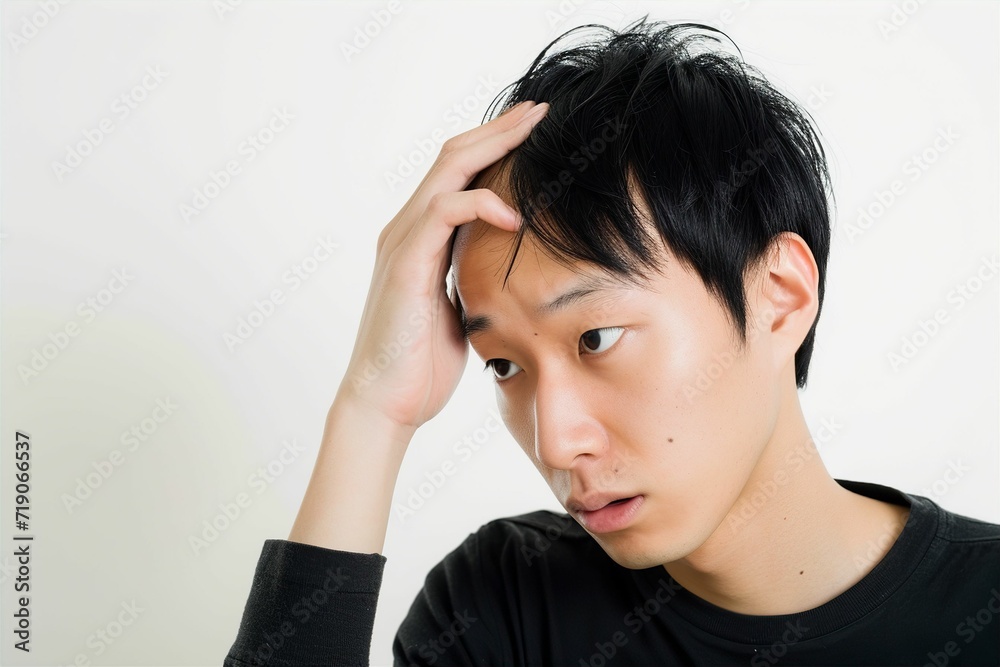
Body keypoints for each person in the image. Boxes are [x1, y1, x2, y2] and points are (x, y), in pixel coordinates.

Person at [224, 17, 1000, 666]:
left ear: (780, 296)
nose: (556, 441)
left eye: (596, 336)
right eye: (504, 364)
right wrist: (372, 411)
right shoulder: (507, 607)